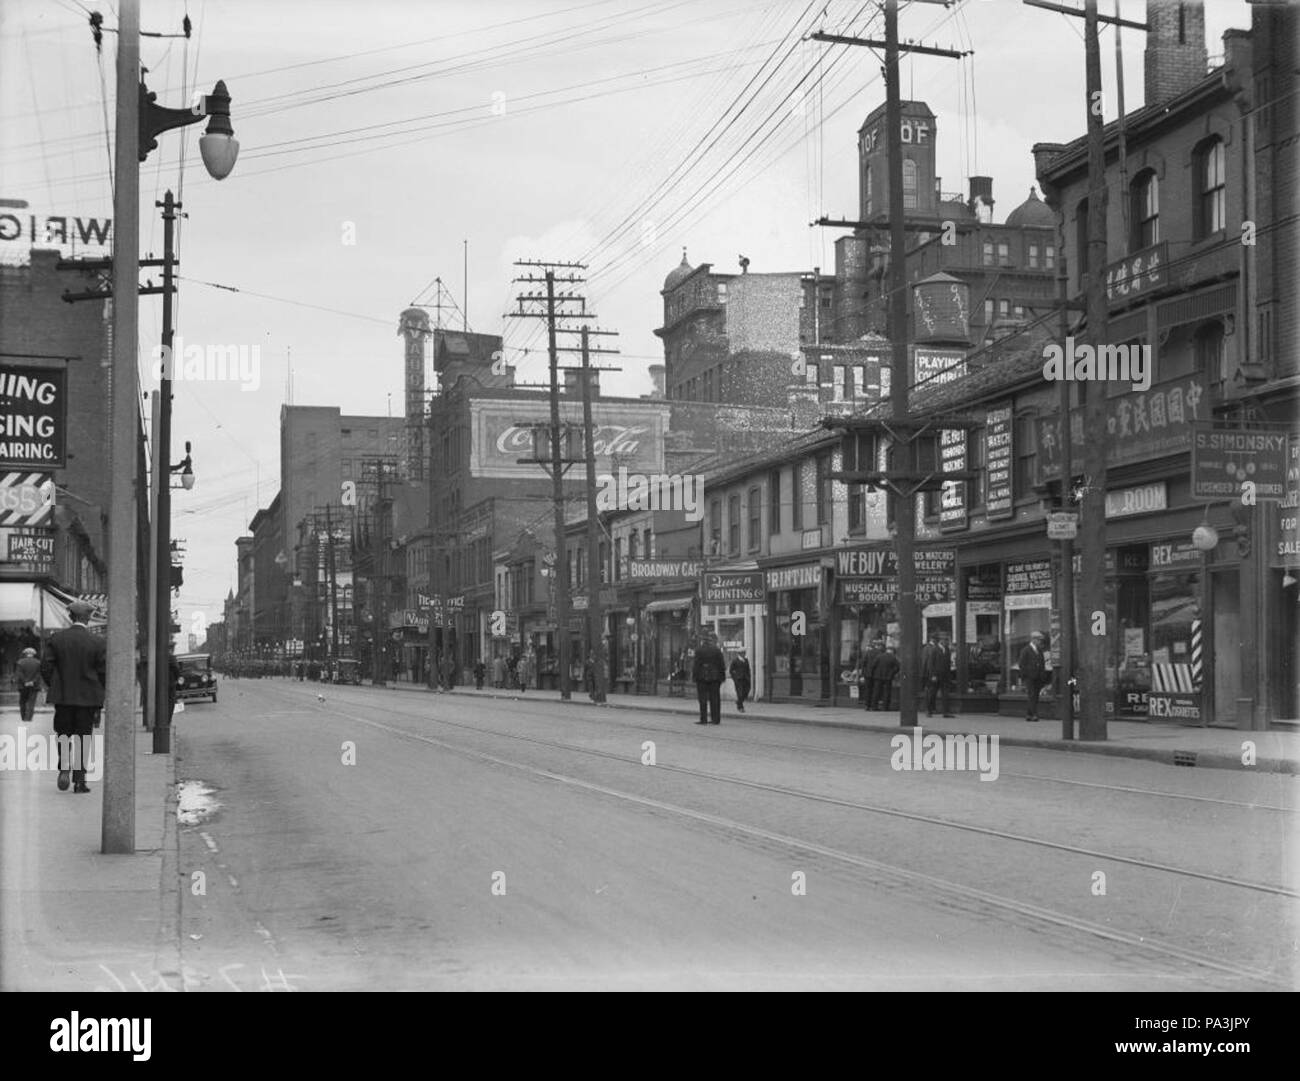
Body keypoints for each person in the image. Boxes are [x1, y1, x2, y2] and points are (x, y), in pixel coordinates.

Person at [40, 601, 106, 794]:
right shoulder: (98, 642)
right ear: (88, 618)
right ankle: (79, 781)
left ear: (71, 617)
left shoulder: (57, 639)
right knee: (83, 738)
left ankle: (64, 768)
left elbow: (46, 667)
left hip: (63, 698)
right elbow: (103, 673)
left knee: (63, 735)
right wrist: (98, 693)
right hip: (88, 699)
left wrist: (55, 686)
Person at [692, 631, 725, 725]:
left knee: (702, 699)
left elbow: (696, 665)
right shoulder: (717, 650)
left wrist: (694, 676)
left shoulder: (699, 650)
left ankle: (704, 719)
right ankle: (716, 719)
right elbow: (721, 665)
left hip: (702, 676)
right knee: (715, 698)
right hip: (715, 677)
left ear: (703, 640)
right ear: (710, 640)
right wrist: (722, 677)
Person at [922, 632, 954, 718]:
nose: (946, 641)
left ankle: (946, 712)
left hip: (945, 675)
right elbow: (931, 663)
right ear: (940, 641)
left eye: (947, 640)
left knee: (945, 694)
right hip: (936, 675)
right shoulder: (934, 649)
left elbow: (947, 663)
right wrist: (932, 675)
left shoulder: (947, 650)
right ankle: (929, 710)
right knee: (932, 693)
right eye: (945, 640)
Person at [1019, 631, 1048, 723]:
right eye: (1039, 640)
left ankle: (1029, 714)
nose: (1040, 642)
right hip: (1029, 677)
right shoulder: (1026, 650)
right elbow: (1022, 664)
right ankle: (1034, 714)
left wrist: (1042, 674)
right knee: (1031, 695)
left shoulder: (1039, 650)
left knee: (1035, 695)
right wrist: (1026, 674)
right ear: (1034, 640)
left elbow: (1042, 663)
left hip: (1038, 676)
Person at [15, 646, 43, 722]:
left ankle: (23, 717)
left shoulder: (20, 662)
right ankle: (29, 718)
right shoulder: (38, 663)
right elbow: (39, 674)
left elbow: (19, 674)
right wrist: (32, 682)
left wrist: (25, 682)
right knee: (31, 702)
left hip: (23, 686)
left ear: (25, 654)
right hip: (34, 686)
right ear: (34, 654)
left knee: (22, 702)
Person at [873, 645, 899, 710]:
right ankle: (885, 707)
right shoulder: (893, 658)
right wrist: (892, 673)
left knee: (876, 691)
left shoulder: (879, 656)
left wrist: (875, 673)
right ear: (892, 651)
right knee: (887, 692)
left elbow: (873, 665)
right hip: (888, 677)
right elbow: (898, 667)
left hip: (878, 676)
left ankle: (874, 706)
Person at [860, 638, 883, 711]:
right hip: (876, 675)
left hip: (868, 674)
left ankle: (867, 705)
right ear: (879, 646)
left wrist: (863, 674)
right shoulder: (880, 653)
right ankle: (874, 706)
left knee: (868, 690)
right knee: (876, 691)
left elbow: (863, 663)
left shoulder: (868, 653)